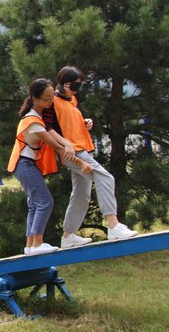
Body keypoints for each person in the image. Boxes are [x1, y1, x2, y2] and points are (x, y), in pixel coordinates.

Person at [43, 65, 138, 246]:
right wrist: (64, 146)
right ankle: (113, 225)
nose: (78, 90)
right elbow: (49, 128)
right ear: (65, 84)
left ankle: (68, 236)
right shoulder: (52, 101)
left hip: (81, 148)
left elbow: (69, 121)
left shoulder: (71, 100)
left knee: (81, 194)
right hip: (72, 152)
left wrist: (84, 122)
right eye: (76, 86)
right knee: (105, 177)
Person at [7, 79, 93, 255]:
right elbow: (58, 147)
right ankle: (38, 244)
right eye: (46, 99)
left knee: (34, 205)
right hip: (24, 165)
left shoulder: (39, 116)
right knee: (45, 202)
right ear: (35, 99)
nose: (51, 101)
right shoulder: (33, 121)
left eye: (52, 96)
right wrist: (82, 163)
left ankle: (30, 245)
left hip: (26, 165)